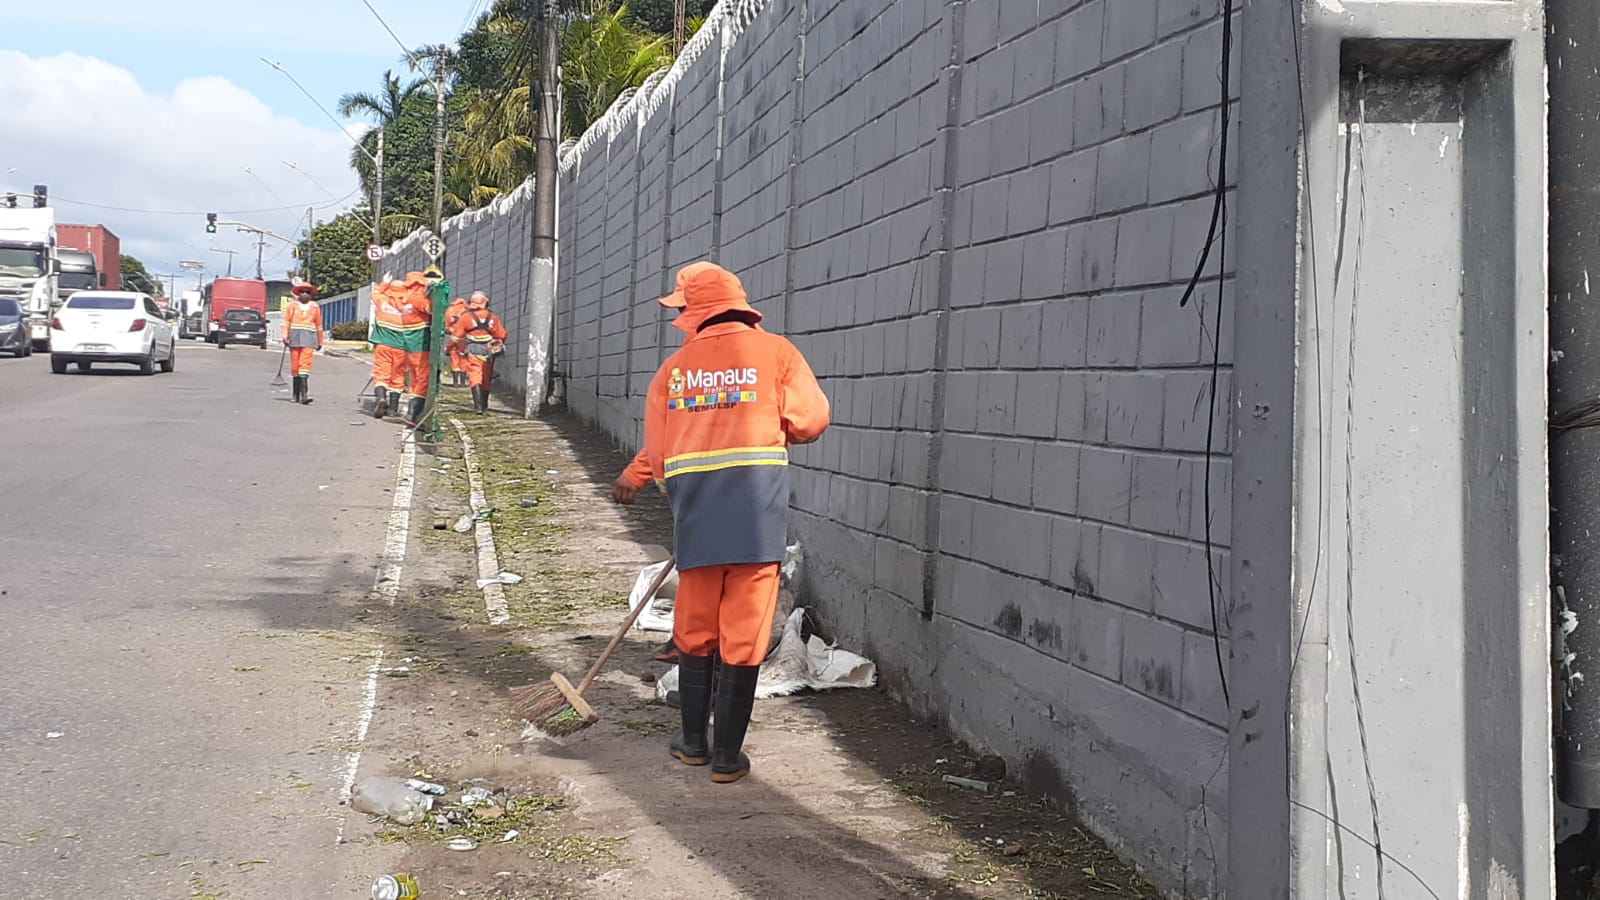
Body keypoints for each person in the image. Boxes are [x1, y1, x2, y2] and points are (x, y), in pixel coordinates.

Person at [612, 260, 829, 784]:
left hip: (699, 521)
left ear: (695, 312)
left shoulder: (673, 371)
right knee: (744, 635)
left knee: (696, 628)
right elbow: (811, 420)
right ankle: (728, 757)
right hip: (757, 522)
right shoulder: (778, 354)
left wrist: (651, 480)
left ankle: (692, 741)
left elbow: (661, 457)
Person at [370, 271, 433, 425]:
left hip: (383, 345)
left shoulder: (383, 300)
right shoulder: (408, 302)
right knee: (398, 377)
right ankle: (392, 409)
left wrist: (384, 284)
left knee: (381, 374)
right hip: (402, 346)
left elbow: (375, 293)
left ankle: (381, 397)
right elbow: (430, 309)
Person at [450, 290, 508, 414]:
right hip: (489, 350)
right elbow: (501, 335)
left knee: (475, 376)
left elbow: (456, 336)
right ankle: (485, 404)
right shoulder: (493, 317)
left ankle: (478, 407)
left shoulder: (466, 317)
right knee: (486, 377)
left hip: (473, 349)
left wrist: (449, 348)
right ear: (486, 302)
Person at [281, 282, 323, 404]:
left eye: (307, 292)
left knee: (304, 366)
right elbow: (286, 322)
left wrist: (320, 341)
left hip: (309, 339)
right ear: (298, 293)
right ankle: (295, 395)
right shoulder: (292, 306)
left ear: (311, 294)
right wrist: (285, 336)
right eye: (302, 292)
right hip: (294, 338)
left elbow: (319, 325)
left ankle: (304, 395)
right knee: (295, 367)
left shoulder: (315, 307)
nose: (305, 294)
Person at [444, 294, 470, 387]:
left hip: (453, 337)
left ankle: (455, 383)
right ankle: (463, 383)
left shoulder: (450, 310)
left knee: (454, 358)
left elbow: (446, 326)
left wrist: (450, 330)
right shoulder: (467, 310)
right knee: (463, 359)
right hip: (464, 338)